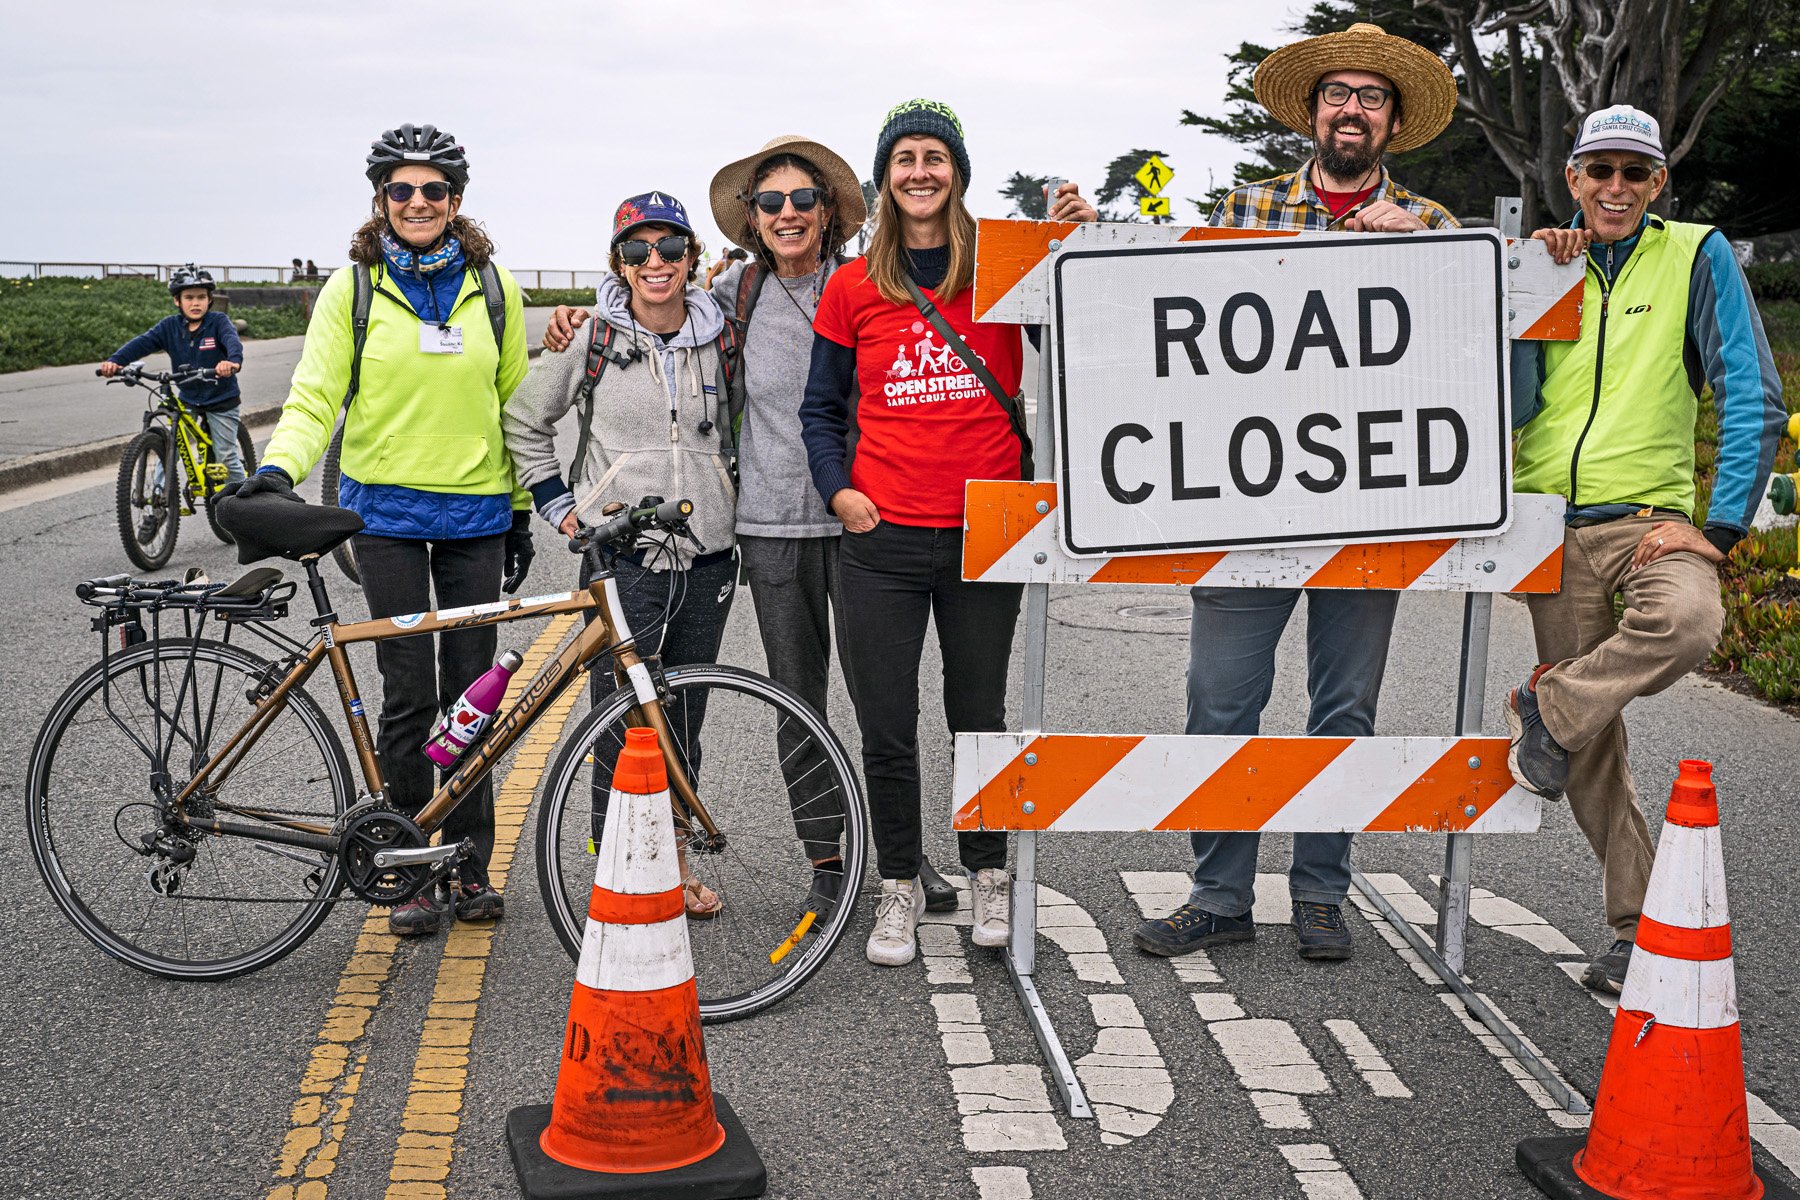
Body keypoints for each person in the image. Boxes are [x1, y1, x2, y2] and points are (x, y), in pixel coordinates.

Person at [1130, 24, 1460, 964]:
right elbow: (1169, 325)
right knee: (1219, 698)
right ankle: (1219, 892)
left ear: (1393, 122)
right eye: (1337, 94)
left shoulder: (1431, 225)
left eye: (1370, 97)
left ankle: (1321, 891)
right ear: (1312, 112)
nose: (1351, 109)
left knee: (1343, 709)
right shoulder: (1242, 208)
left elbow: (1469, 349)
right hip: (1247, 501)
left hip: (1369, 503)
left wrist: (1425, 257)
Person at [800, 98, 1095, 968]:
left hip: (985, 535)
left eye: (935, 157)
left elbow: (1081, 330)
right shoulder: (854, 284)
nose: (920, 172)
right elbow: (820, 409)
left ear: (957, 171)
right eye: (904, 159)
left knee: (978, 716)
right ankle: (897, 883)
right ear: (884, 178)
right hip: (881, 536)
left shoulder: (1005, 267)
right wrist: (838, 492)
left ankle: (989, 872)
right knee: (886, 725)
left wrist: (1075, 243)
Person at [1506, 105, 1785, 994]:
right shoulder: (1542, 263)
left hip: (1647, 519)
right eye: (1601, 171)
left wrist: (1721, 527)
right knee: (1591, 743)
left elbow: (1752, 392)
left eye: (1636, 173)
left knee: (1690, 621)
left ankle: (1546, 705)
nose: (1616, 188)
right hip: (1549, 524)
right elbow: (1501, 393)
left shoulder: (1695, 254)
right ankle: (1634, 926)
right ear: (1574, 179)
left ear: (1659, 182)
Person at [236, 123, 533, 937]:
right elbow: (313, 397)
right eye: (400, 190)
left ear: (456, 201)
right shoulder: (354, 288)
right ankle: (409, 871)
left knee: (473, 698)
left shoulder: (494, 286)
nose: (416, 203)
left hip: (475, 516)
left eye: (432, 190)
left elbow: (516, 406)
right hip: (389, 519)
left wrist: (518, 514)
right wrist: (279, 471)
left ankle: (466, 864)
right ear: (380, 201)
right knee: (407, 694)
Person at [503, 191, 741, 918]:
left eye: (670, 248)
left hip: (708, 553)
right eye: (638, 251)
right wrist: (557, 507)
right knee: (621, 720)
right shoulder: (591, 339)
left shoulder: (723, 336)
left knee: (684, 716)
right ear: (619, 263)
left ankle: (668, 865)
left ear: (693, 259)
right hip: (621, 556)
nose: (655, 263)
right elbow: (523, 421)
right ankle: (620, 870)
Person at [101, 263, 246, 541]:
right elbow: (142, 343)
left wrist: (232, 362)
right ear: (177, 301)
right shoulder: (169, 327)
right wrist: (115, 361)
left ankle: (247, 507)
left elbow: (232, 343)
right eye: (189, 298)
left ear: (209, 300)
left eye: (201, 297)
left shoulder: (218, 323)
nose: (195, 303)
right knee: (169, 449)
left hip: (221, 399)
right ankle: (158, 507)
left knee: (226, 455)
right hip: (189, 397)